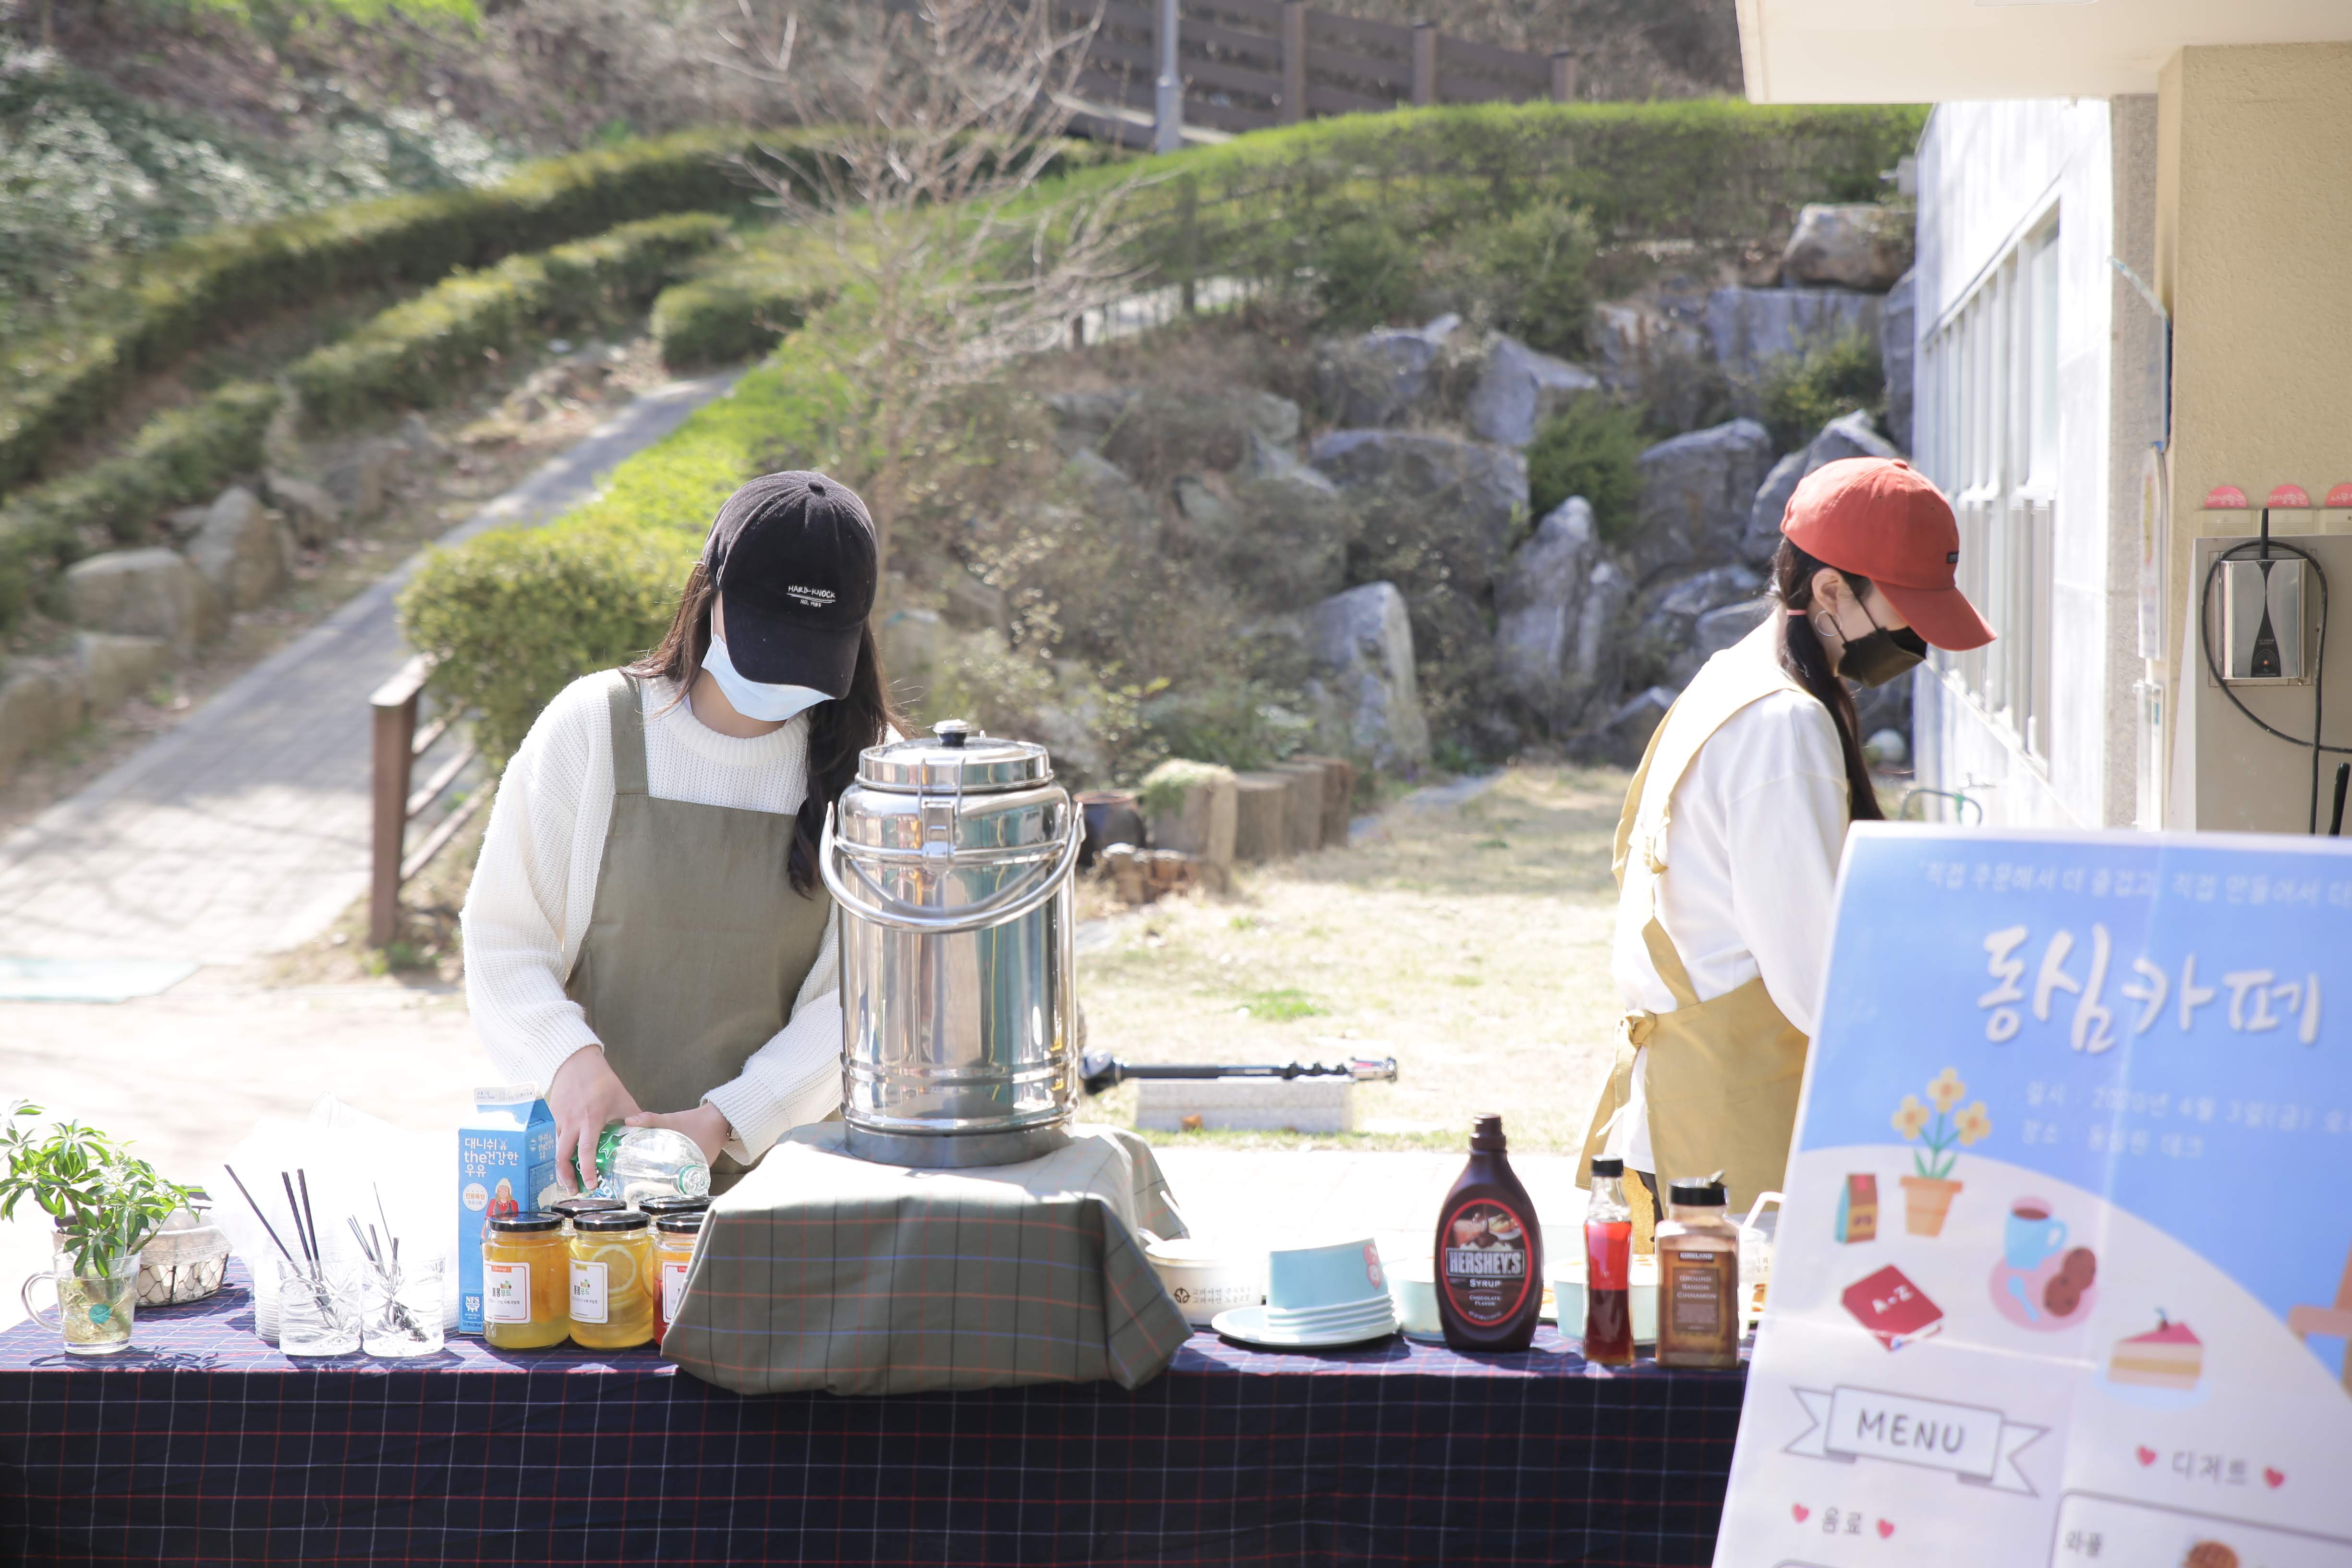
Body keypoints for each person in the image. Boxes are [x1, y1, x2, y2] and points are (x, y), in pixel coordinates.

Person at [1578, 457, 1995, 1235]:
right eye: (1903, 609)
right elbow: (1817, 979)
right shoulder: (1787, 724)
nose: (1910, 637)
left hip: (1687, 1103)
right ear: (1829, 589)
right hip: (1738, 1126)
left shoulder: (1730, 677)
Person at [463, 470, 898, 1195]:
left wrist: (729, 1118)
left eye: (809, 651)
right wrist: (569, 1064)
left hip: (788, 1188)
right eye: (768, 639)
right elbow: (504, 937)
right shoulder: (595, 728)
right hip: (590, 1188)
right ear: (709, 591)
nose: (782, 677)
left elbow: (864, 999)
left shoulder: (879, 772)